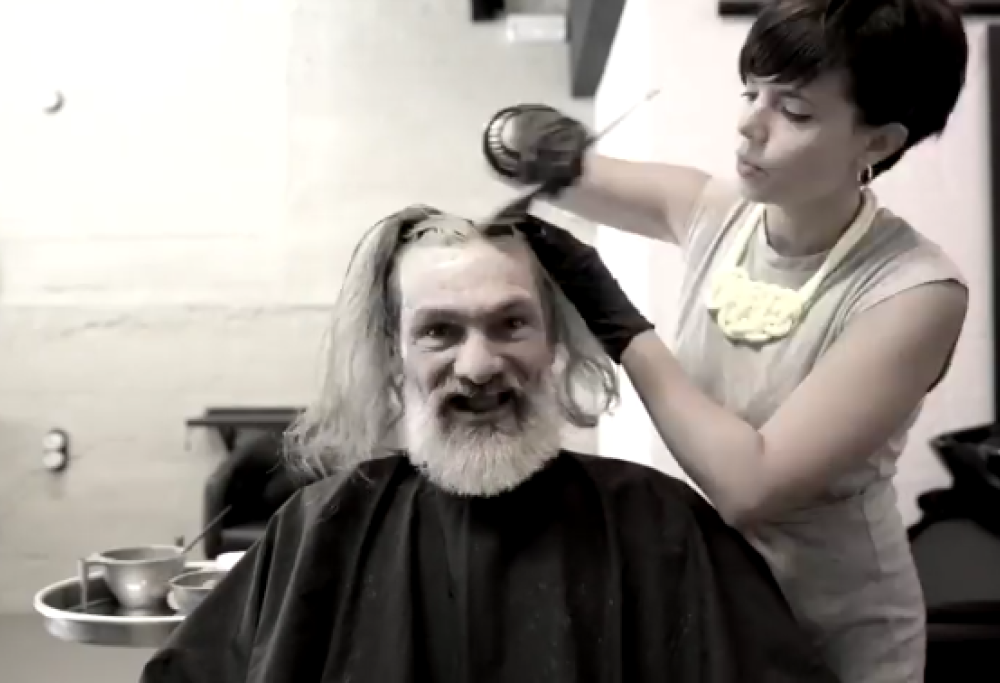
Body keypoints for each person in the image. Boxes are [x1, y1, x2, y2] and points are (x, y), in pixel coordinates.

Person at [140, 206, 838, 683]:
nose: (477, 366)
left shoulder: (659, 526)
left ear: (553, 342)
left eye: (510, 324)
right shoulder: (318, 527)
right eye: (439, 331)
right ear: (394, 354)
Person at [480, 0, 969, 681]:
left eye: (793, 111)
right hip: (716, 596)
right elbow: (533, 164)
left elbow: (750, 484)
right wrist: (518, 134)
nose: (748, 124)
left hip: (838, 627)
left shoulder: (915, 292)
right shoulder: (716, 212)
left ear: (878, 142)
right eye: (750, 92)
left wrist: (619, 324)